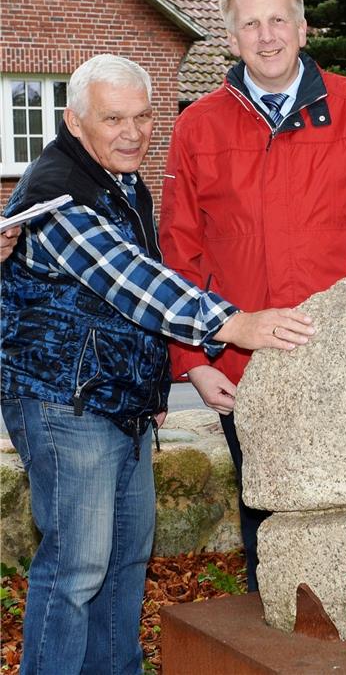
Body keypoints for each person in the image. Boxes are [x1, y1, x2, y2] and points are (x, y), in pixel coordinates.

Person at [0, 54, 315, 675]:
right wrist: (234, 323)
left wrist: (162, 382)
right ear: (74, 122)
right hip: (67, 403)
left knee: (124, 564)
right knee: (76, 569)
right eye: (113, 118)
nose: (133, 133)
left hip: (119, 403)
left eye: (143, 117)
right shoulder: (58, 196)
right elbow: (135, 283)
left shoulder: (119, 180)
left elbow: (129, 305)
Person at [159, 0, 346, 592]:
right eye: (250, 24)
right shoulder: (198, 125)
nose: (267, 36)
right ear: (231, 38)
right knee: (269, 523)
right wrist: (193, 360)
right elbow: (179, 251)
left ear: (303, 28)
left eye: (278, 20)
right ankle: (275, 631)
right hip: (245, 367)